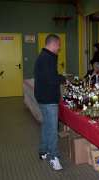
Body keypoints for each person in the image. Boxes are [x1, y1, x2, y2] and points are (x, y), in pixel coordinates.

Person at [34, 34, 63, 171]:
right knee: (52, 129)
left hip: (43, 97)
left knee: (46, 125)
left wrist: (58, 77)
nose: (59, 48)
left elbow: (49, 76)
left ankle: (43, 151)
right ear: (53, 44)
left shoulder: (44, 57)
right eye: (59, 45)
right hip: (48, 98)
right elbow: (51, 79)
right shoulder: (47, 58)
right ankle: (53, 157)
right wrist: (62, 78)